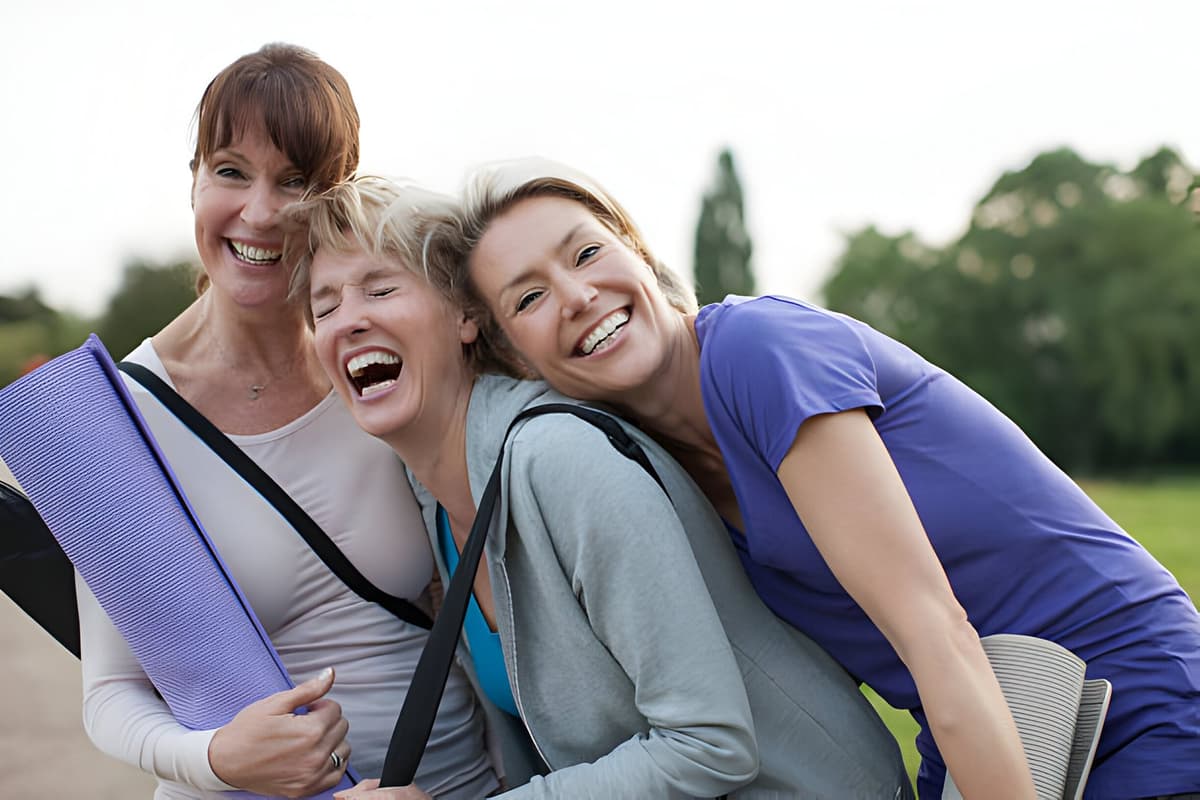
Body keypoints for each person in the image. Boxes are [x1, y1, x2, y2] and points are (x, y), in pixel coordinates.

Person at [437, 157, 1200, 800]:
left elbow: (938, 633)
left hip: (1138, 709)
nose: (576, 296)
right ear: (515, 358)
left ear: (637, 252)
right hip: (997, 744)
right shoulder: (645, 472)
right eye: (529, 297)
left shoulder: (759, 353)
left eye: (586, 253)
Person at [285, 176, 912, 799]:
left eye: (380, 289)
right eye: (326, 306)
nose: (350, 321)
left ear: (466, 318)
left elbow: (710, 744)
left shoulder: (558, 458)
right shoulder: (435, 506)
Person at [76, 44, 498, 800]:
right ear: (196, 181)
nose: (262, 212)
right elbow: (109, 693)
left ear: (336, 199)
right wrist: (216, 759)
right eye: (231, 171)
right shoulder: (119, 414)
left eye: (297, 182)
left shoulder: (380, 366)